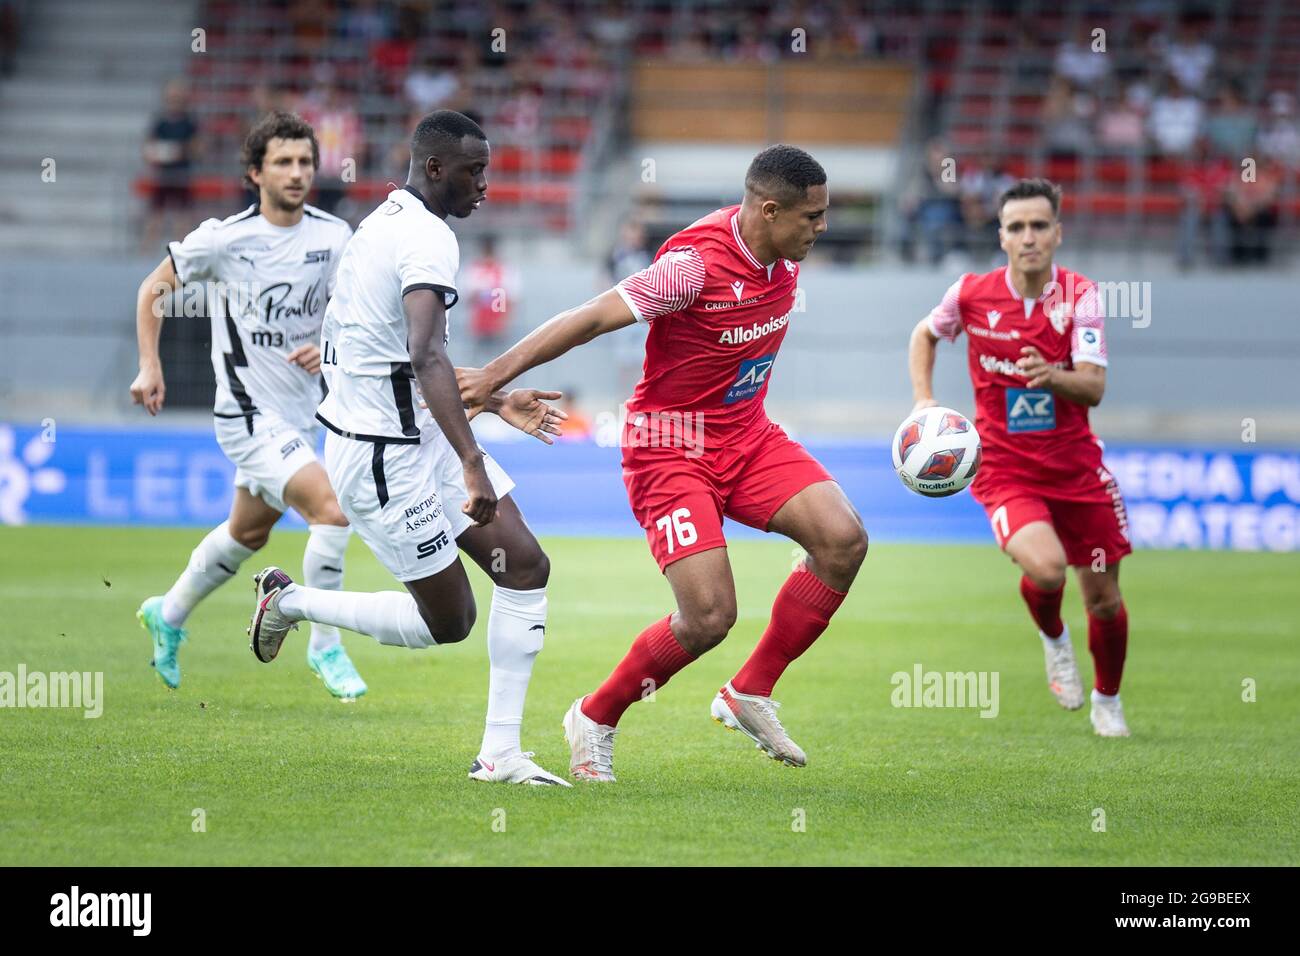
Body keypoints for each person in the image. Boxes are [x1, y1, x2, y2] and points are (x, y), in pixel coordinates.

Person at [459, 145, 869, 781]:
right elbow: (592, 316)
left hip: (747, 435)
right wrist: (493, 375)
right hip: (669, 447)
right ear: (769, 211)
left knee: (843, 540)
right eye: (812, 217)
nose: (822, 227)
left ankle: (748, 691)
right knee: (709, 617)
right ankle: (595, 715)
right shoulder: (691, 268)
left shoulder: (781, 253)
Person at [246, 110, 572, 787]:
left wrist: (492, 399)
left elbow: (396, 357)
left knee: (526, 567)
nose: (484, 185)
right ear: (434, 169)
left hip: (412, 434)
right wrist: (473, 460)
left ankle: (501, 754)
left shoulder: (383, 224)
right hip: (381, 459)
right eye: (473, 172)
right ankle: (291, 602)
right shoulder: (425, 241)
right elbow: (424, 353)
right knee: (449, 622)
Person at [131, 111, 367, 700]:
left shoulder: (333, 238)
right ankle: (325, 645)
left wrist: (330, 347)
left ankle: (170, 612)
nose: (297, 173)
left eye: (306, 162)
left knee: (247, 534)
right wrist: (150, 365)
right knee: (333, 511)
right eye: (283, 162)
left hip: (302, 417)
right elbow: (152, 289)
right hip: (246, 415)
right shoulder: (224, 239)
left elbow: (354, 315)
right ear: (255, 172)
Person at [907, 178, 1132, 737]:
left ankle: (1108, 702)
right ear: (1001, 237)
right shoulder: (970, 295)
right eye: (1016, 227)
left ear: (1057, 233)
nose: (1028, 237)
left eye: (1038, 225)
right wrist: (924, 401)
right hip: (1006, 469)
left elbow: (1095, 387)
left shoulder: (1080, 295)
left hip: (1078, 468)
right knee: (1048, 566)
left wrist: (1052, 376)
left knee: (1103, 600)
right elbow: (925, 333)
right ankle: (1055, 639)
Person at [141, 80, 200, 253]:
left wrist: (179, 151)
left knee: (182, 220)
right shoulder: (160, 123)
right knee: (155, 218)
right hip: (162, 177)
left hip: (182, 176)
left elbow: (198, 149)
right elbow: (147, 148)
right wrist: (156, 153)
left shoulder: (190, 123)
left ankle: (183, 257)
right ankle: (144, 255)